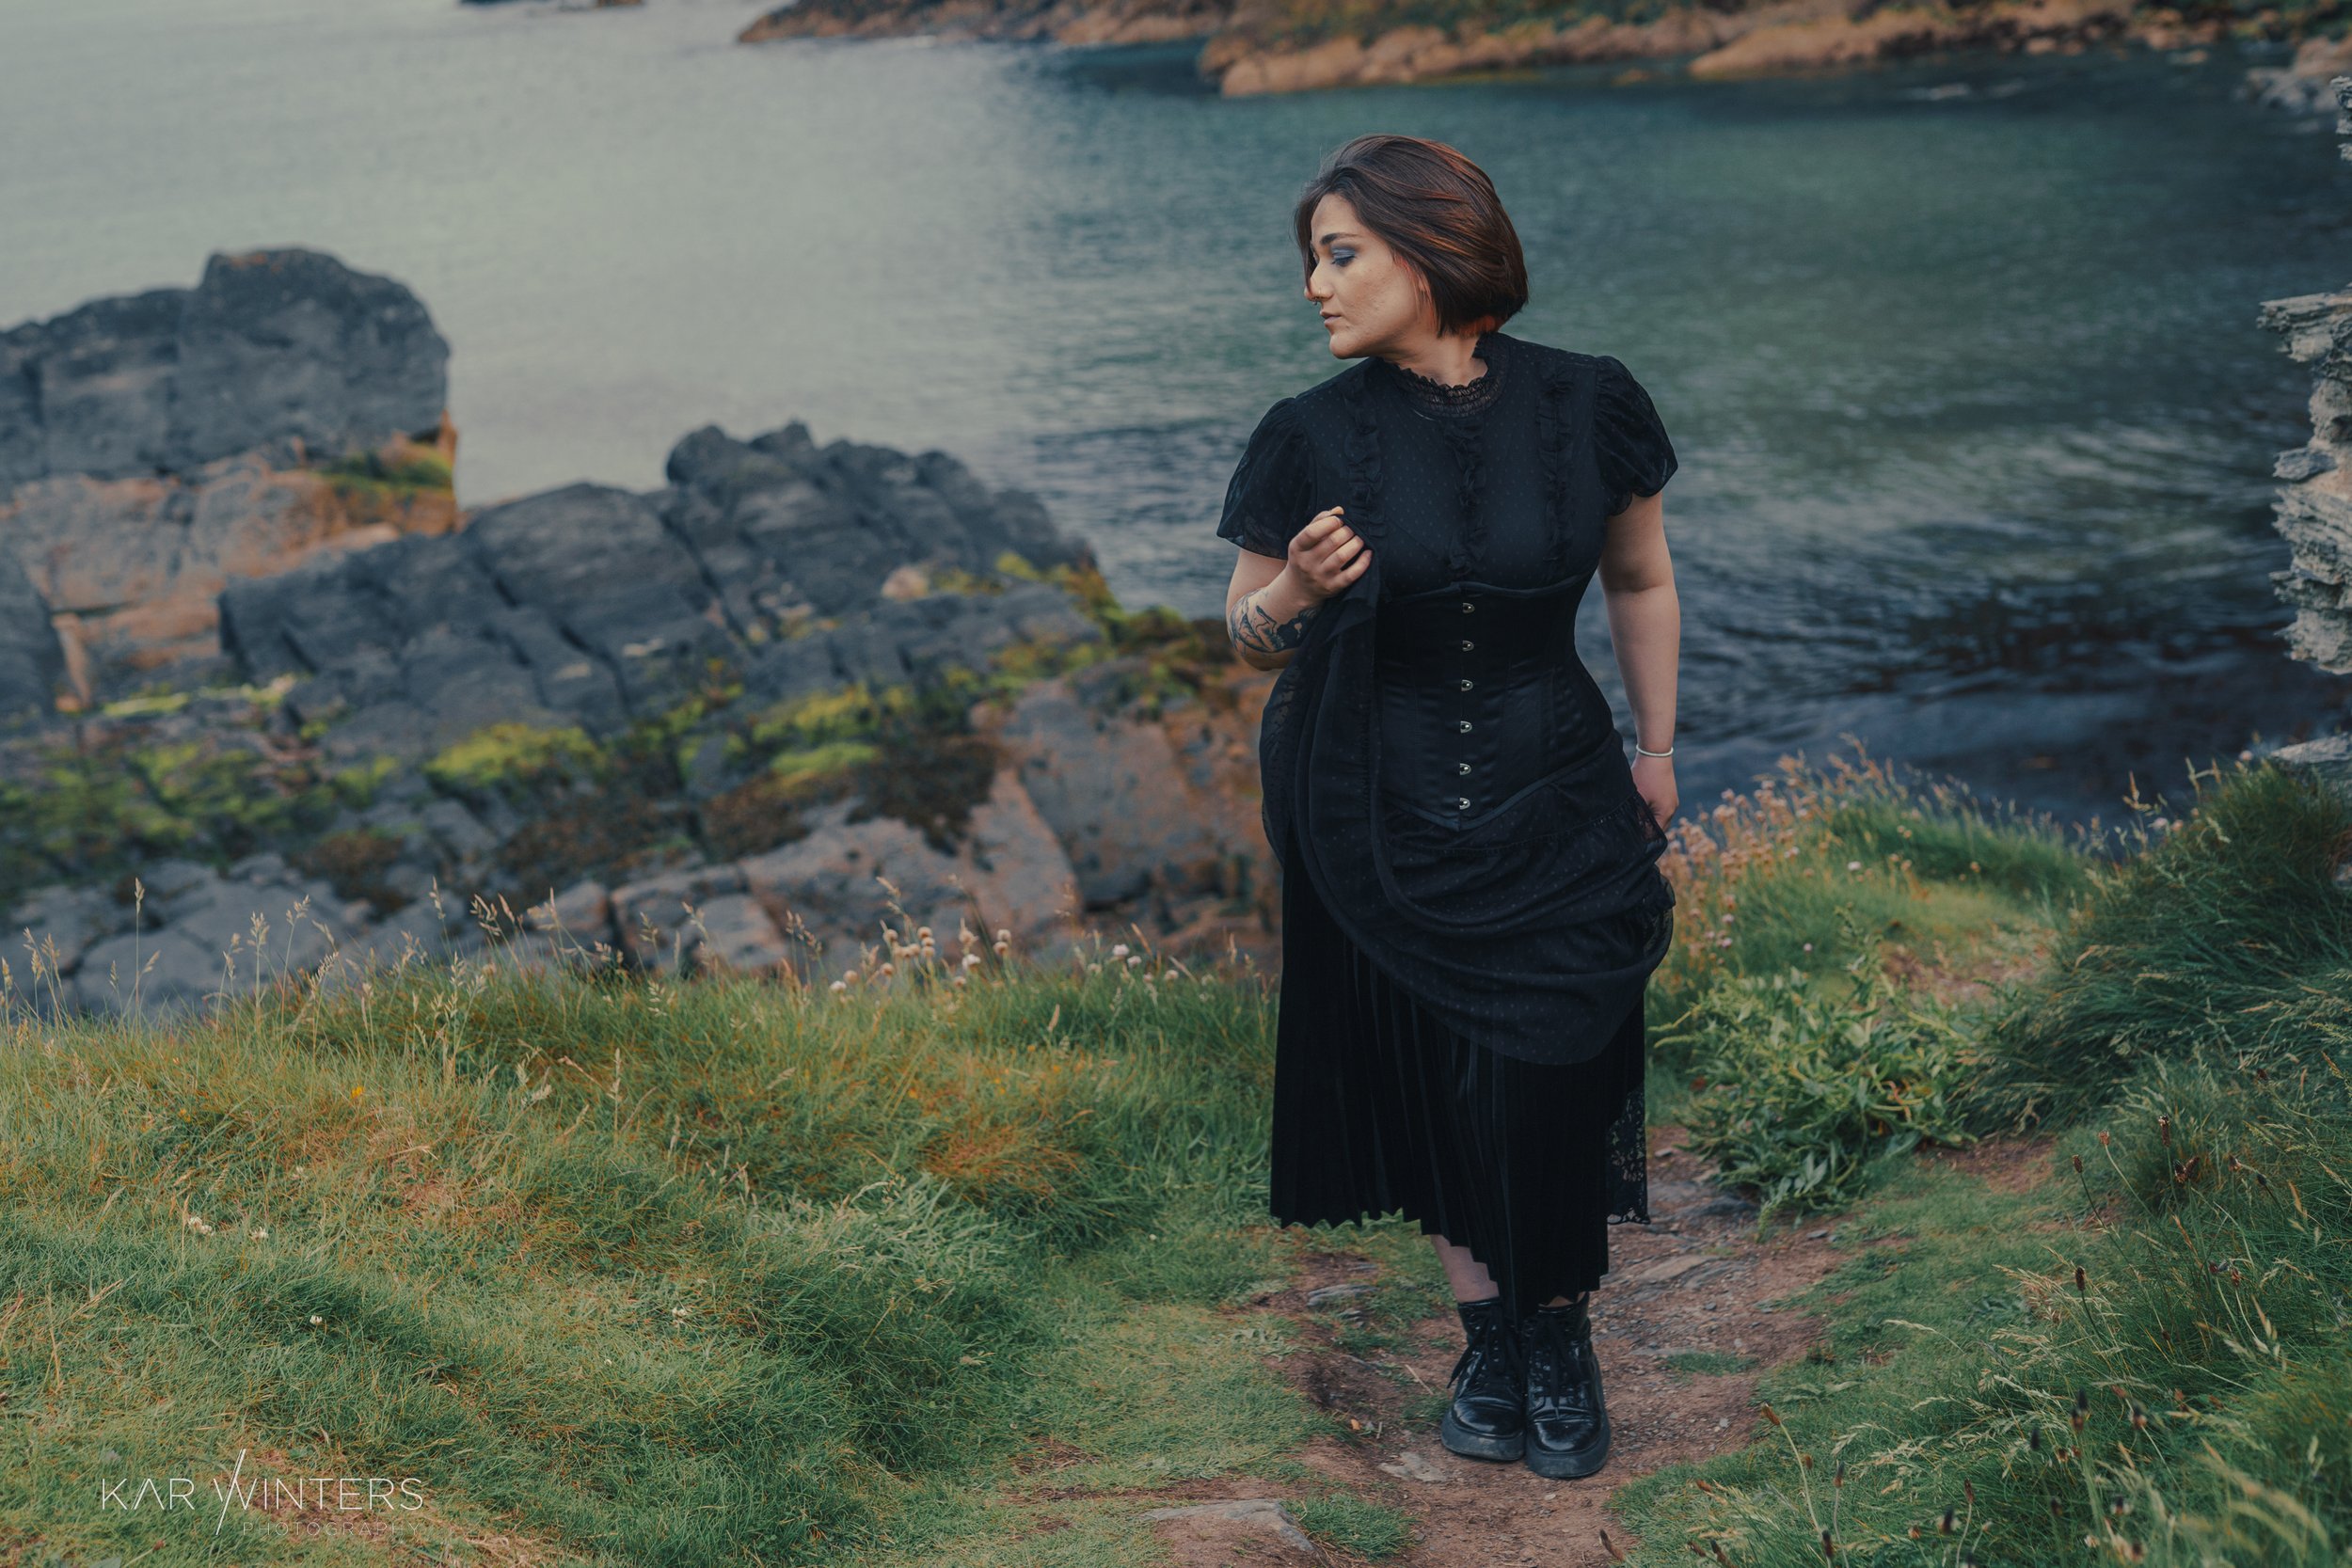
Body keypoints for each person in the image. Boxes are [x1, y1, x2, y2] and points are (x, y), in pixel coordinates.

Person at [1217, 134, 1683, 1481]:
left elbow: (1640, 583)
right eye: (1311, 256)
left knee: (1551, 1066)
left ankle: (1559, 1332)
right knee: (1432, 1077)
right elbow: (1243, 634)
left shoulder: (1591, 401)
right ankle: (1487, 1338)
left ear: (1432, 249)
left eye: (1340, 252)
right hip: (1367, 797)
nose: (1315, 283)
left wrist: (1659, 747)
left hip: (1560, 788)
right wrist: (1296, 594)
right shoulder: (1303, 433)